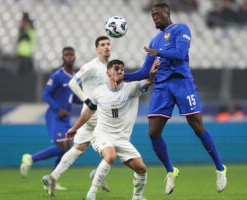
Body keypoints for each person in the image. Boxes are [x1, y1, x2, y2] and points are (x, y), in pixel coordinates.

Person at [124, 3, 227, 194]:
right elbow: (145, 72)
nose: (154, 17)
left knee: (197, 127)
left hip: (182, 83)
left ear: (167, 13)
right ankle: (171, 171)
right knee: (153, 132)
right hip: (162, 87)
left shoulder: (181, 29)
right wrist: (122, 76)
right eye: (152, 15)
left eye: (157, 13)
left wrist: (160, 53)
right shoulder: (154, 41)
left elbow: (180, 54)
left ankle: (220, 168)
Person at [67, 59, 156, 200]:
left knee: (142, 169)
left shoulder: (130, 88)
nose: (120, 71)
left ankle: (137, 197)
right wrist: (74, 128)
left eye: (122, 69)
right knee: (110, 156)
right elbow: (88, 113)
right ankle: (92, 193)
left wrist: (151, 75)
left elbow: (147, 82)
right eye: (116, 68)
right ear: (108, 72)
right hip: (102, 135)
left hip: (121, 138)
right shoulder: (99, 92)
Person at [42, 36, 112, 196]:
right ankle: (97, 176)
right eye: (102, 45)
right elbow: (74, 82)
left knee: (78, 148)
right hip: (97, 113)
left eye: (108, 44)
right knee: (114, 146)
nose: (106, 47)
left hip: (92, 114)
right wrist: (86, 100)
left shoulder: (109, 66)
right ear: (96, 49)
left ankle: (52, 177)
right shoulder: (92, 66)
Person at [20, 47, 81, 190]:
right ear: (62, 57)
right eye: (67, 55)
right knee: (62, 147)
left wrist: (88, 101)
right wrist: (57, 109)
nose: (69, 57)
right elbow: (46, 94)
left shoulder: (75, 77)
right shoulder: (57, 75)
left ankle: (52, 180)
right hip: (55, 115)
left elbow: (74, 97)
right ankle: (30, 159)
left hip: (66, 117)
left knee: (66, 150)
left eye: (72, 55)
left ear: (75, 57)